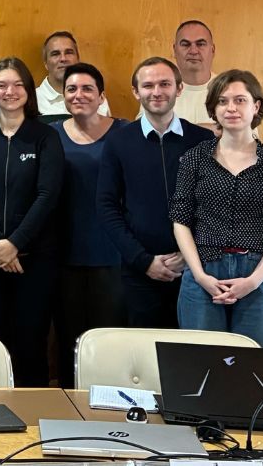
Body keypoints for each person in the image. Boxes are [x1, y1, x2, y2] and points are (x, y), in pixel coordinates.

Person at [172, 70, 263, 348]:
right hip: (203, 271)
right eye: (222, 101)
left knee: (252, 366)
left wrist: (252, 282)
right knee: (200, 364)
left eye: (240, 100)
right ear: (213, 109)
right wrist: (200, 276)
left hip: (258, 275)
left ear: (256, 106)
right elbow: (181, 221)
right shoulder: (194, 159)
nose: (231, 108)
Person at [0, 57, 63, 387]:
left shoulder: (46, 137)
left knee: (31, 344)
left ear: (29, 90)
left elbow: (47, 195)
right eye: (1, 85)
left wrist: (15, 243)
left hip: (34, 260)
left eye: (18, 84)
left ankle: (34, 414)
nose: (10, 91)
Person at [97, 57, 213, 329]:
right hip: (140, 272)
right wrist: (143, 261)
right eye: (148, 85)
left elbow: (213, 206)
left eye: (165, 84)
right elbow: (106, 206)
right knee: (144, 349)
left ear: (179, 88)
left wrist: (189, 255)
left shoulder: (203, 141)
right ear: (136, 92)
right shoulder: (118, 141)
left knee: (190, 349)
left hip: (195, 270)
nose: (157, 91)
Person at [49, 63, 126, 387]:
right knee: (68, 342)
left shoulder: (125, 132)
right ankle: (70, 405)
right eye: (71, 89)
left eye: (87, 89)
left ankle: (108, 407)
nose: (78, 95)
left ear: (101, 96)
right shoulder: (50, 134)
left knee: (109, 343)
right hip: (63, 253)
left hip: (113, 255)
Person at [35, 31, 111, 121]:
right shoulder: (33, 100)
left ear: (78, 59)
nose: (63, 58)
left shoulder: (96, 97)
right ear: (46, 63)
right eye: (55, 54)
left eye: (69, 52)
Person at [169, 20, 218, 131]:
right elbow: (145, 135)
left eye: (201, 44)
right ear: (174, 50)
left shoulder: (231, 90)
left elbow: (247, 137)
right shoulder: (159, 91)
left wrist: (175, 131)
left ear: (213, 50)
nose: (193, 51)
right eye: (185, 44)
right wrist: (216, 130)